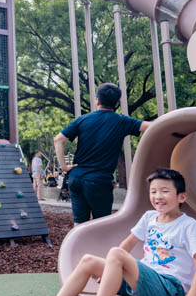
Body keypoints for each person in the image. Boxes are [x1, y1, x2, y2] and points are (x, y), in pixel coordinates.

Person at [15, 168, 196, 296]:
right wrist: (111, 271)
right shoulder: (150, 217)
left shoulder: (189, 226)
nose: (158, 196)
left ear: (181, 197)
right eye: (153, 191)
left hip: (168, 289)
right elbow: (129, 242)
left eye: (165, 191)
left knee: (115, 254)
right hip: (142, 284)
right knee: (88, 261)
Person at [54, 83, 151, 224]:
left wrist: (64, 167)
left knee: (79, 225)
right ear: (117, 103)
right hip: (99, 181)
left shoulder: (82, 120)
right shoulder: (122, 121)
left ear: (97, 100)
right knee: (101, 226)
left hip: (76, 178)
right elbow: (151, 126)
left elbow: (58, 139)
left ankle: (79, 247)